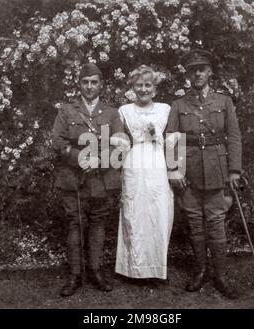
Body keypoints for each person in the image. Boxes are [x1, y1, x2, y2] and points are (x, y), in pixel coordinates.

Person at [167, 49, 242, 299]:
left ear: (210, 72)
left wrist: (234, 170)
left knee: (216, 222)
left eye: (202, 68)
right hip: (189, 172)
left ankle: (220, 275)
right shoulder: (178, 104)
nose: (197, 73)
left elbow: (233, 137)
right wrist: (174, 170)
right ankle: (200, 271)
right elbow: (172, 140)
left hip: (217, 168)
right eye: (193, 69)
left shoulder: (224, 102)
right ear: (188, 75)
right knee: (195, 223)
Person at [52, 63, 121, 297]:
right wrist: (79, 158)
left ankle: (95, 270)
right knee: (75, 222)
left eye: (94, 82)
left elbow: (119, 145)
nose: (89, 86)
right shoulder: (67, 110)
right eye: (85, 82)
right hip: (73, 177)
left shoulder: (111, 113)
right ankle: (74, 274)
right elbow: (58, 142)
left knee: (98, 223)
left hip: (101, 179)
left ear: (101, 85)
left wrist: (98, 161)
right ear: (79, 84)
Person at [114, 65, 174, 281]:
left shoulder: (165, 109)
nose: (143, 89)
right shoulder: (124, 111)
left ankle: (156, 267)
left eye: (148, 84)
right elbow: (119, 138)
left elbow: (173, 139)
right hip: (135, 161)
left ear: (155, 88)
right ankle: (134, 268)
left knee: (158, 210)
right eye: (139, 85)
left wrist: (158, 136)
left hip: (158, 161)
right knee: (135, 211)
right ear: (132, 87)